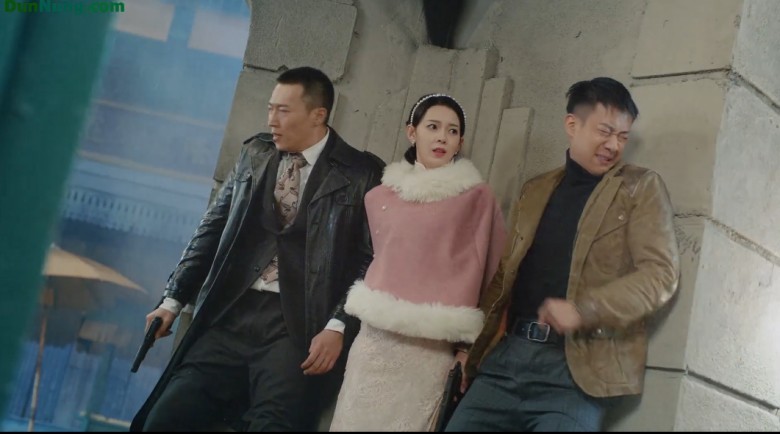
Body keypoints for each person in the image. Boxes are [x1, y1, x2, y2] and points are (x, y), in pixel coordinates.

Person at [129, 66, 385, 432]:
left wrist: (338, 324)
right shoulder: (255, 153)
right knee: (165, 419)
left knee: (274, 425)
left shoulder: (361, 173)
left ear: (318, 115)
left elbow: (370, 261)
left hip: (297, 326)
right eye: (270, 108)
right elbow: (211, 230)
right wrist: (172, 299)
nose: (271, 120)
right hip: (231, 311)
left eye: (283, 110)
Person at [445, 77, 680, 432]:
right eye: (605, 131)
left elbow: (661, 275)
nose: (614, 145)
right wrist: (470, 349)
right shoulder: (536, 189)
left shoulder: (639, 187)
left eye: (623, 136)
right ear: (572, 125)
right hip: (505, 361)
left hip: (577, 372)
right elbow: (505, 277)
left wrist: (585, 309)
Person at [328, 93, 507, 431]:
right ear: (412, 132)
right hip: (373, 341)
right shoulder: (379, 197)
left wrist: (468, 349)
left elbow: (493, 278)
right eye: (433, 127)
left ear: (461, 142)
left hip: (429, 348)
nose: (442, 138)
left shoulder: (477, 198)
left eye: (453, 131)